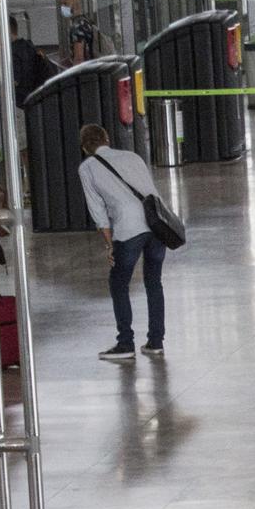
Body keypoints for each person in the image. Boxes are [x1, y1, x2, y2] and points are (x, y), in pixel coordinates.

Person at [74, 123, 165, 361]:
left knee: (118, 283)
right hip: (156, 225)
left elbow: (98, 212)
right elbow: (149, 190)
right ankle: (156, 342)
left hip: (128, 227)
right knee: (154, 282)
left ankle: (125, 344)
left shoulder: (88, 168)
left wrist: (109, 244)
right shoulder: (133, 156)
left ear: (85, 147)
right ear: (107, 138)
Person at [9, 18, 56, 106]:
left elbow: (14, 82)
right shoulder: (28, 45)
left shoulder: (13, 52)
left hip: (21, 101)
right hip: (35, 96)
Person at [58, 0, 94, 66]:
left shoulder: (77, 27)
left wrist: (73, 75)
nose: (62, 7)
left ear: (75, 5)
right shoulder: (85, 21)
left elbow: (79, 58)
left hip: (84, 73)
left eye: (65, 4)